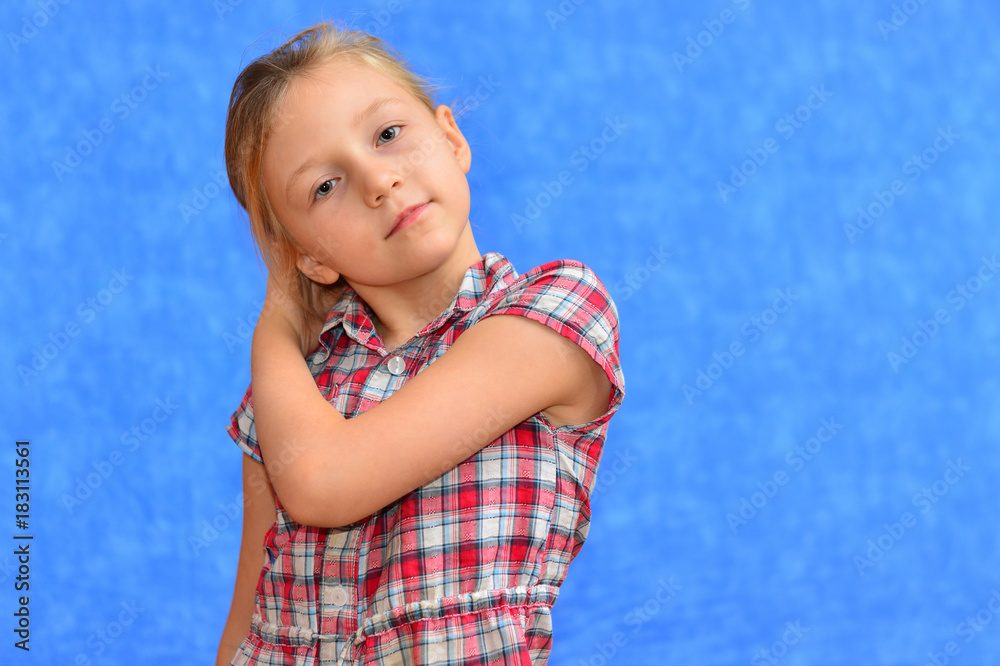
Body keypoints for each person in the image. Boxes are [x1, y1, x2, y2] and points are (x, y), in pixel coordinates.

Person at [216, 21, 626, 665]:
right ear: (310, 259)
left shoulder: (553, 312)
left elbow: (323, 481)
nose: (378, 181)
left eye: (387, 134)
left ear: (451, 138)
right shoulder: (294, 388)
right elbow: (248, 615)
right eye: (324, 186)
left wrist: (273, 327)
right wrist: (284, 348)